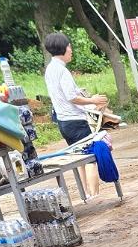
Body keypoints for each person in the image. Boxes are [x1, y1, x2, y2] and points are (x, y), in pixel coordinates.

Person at [43, 32, 107, 196]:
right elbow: (71, 97)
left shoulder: (50, 69)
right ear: (63, 48)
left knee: (78, 158)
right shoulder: (63, 72)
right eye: (69, 46)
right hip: (76, 121)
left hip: (63, 122)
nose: (71, 50)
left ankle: (85, 192)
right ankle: (94, 194)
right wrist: (92, 100)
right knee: (91, 157)